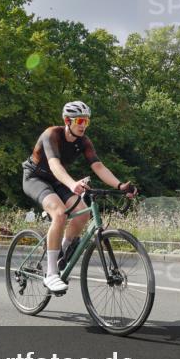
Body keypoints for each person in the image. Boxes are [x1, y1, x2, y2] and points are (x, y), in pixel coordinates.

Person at [22, 101, 136, 293]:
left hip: (57, 180)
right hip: (35, 177)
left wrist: (120, 185)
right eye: (80, 120)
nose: (84, 125)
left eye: (87, 122)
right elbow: (55, 165)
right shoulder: (52, 134)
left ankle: (62, 253)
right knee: (59, 213)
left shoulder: (84, 142)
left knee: (83, 214)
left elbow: (98, 166)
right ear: (68, 120)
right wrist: (73, 184)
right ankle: (51, 274)